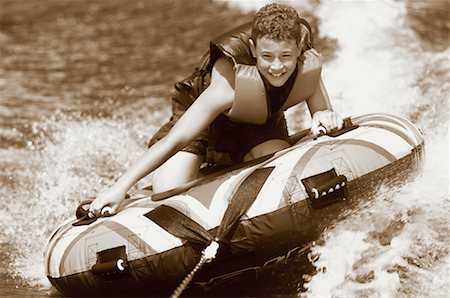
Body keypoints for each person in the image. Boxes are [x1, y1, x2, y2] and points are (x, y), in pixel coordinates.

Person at [88, 3, 343, 218]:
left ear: (299, 48)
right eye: (267, 56)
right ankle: (202, 169)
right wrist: (119, 188)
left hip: (258, 125)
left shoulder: (307, 66)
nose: (277, 66)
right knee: (167, 191)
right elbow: (177, 138)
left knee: (278, 163)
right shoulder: (229, 84)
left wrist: (324, 117)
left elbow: (322, 113)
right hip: (206, 128)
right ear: (253, 50)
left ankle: (230, 165)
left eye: (286, 56)